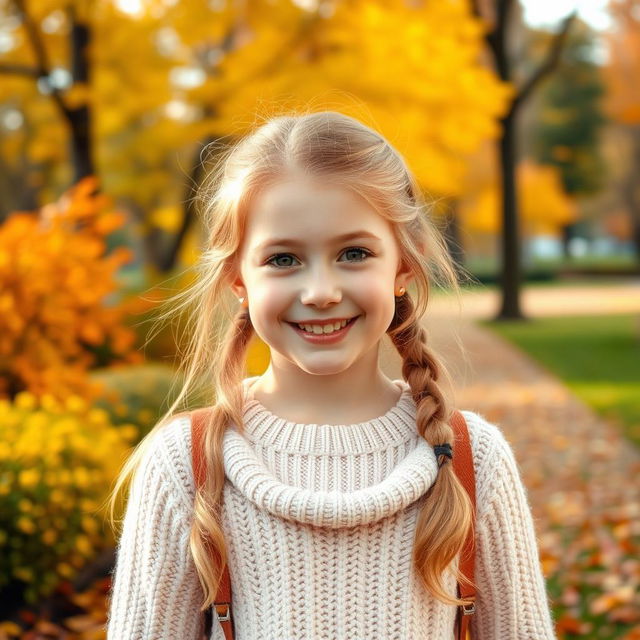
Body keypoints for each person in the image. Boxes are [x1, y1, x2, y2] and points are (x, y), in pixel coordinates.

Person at [105, 110, 557, 639]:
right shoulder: (185, 466)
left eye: (354, 253)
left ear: (404, 266)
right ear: (237, 279)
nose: (321, 291)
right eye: (282, 259)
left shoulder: (472, 459)